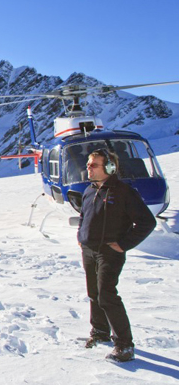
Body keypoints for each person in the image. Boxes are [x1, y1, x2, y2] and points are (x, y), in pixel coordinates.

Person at [78, 149, 156, 362]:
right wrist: (81, 236)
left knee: (107, 296)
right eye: (88, 164)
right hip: (89, 250)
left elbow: (147, 222)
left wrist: (123, 244)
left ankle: (124, 345)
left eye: (94, 165)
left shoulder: (124, 192)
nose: (88, 168)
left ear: (110, 168)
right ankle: (100, 331)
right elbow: (83, 215)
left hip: (109, 253)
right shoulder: (89, 190)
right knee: (94, 293)